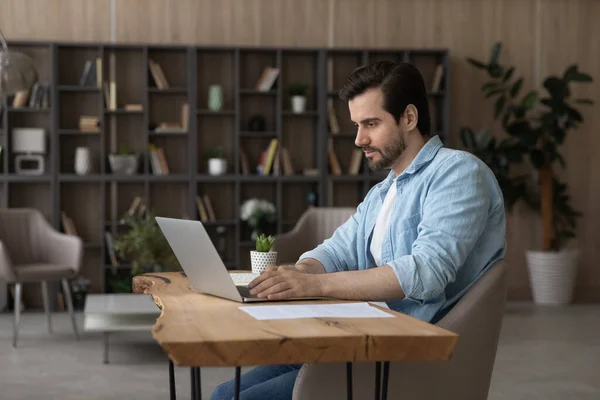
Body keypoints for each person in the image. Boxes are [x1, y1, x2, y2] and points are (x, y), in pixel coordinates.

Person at [210, 61, 506, 400]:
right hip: (362, 338)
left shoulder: (458, 173)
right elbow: (336, 251)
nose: (358, 139)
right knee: (224, 392)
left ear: (409, 118)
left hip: (408, 355)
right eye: (356, 125)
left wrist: (313, 283)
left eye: (371, 124)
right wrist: (297, 273)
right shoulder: (383, 192)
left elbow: (425, 273)